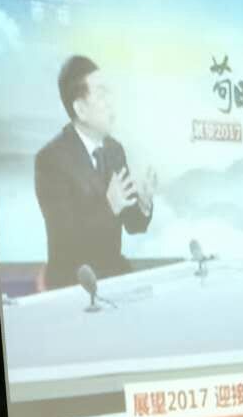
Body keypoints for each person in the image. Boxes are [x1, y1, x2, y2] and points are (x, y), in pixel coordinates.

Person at [34, 56, 156, 289]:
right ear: (80, 109)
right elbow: (65, 240)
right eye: (102, 94)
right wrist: (109, 206)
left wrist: (143, 203)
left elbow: (134, 225)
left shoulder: (114, 150)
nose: (110, 103)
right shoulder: (50, 160)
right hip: (73, 283)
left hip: (115, 275)